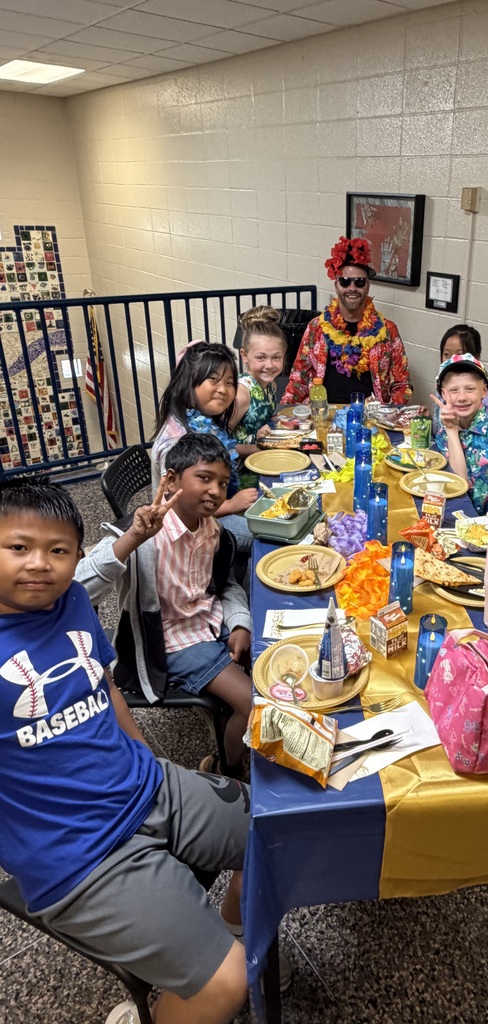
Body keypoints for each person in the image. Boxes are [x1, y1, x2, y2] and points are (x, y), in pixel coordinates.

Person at [0, 475, 251, 1024]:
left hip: (146, 786)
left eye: (58, 550)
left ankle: (233, 923)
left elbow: (105, 687)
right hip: (80, 856)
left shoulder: (66, 603)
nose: (40, 564)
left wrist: (148, 763)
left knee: (281, 827)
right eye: (18, 547)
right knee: (227, 982)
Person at [77, 433, 253, 777]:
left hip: (210, 623)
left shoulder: (213, 531)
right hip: (172, 641)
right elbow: (76, 586)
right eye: (204, 478)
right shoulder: (143, 534)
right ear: (171, 480)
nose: (216, 491)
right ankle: (228, 770)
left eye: (222, 482)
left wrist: (239, 621)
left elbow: (224, 585)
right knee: (253, 704)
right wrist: (132, 538)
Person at [152, 341, 258, 552]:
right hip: (191, 527)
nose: (224, 390)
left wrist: (253, 449)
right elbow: (177, 508)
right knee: (262, 535)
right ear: (189, 382)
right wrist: (231, 505)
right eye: (213, 380)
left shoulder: (204, 419)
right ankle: (232, 582)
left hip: (214, 504)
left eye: (229, 383)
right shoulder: (175, 440)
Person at [282, 236, 412, 405]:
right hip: (323, 415)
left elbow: (402, 385)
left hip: (371, 418)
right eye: (345, 281)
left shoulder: (388, 330)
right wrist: (282, 415)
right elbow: (298, 380)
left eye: (359, 282)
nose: (352, 288)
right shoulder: (316, 328)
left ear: (367, 285)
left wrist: (387, 412)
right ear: (336, 284)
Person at [431, 353, 488, 515]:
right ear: (443, 394)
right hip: (461, 518)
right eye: (453, 391)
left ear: (484, 391)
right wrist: (451, 431)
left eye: (470, 389)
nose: (462, 397)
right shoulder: (444, 434)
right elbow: (459, 484)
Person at [229, 305, 287, 487]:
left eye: (276, 357)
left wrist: (262, 432)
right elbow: (218, 444)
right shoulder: (242, 393)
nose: (269, 365)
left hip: (260, 461)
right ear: (244, 356)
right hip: (237, 474)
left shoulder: (271, 384)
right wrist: (260, 448)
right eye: (261, 358)